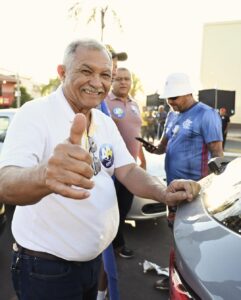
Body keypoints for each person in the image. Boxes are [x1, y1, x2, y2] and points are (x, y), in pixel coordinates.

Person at [0, 41, 200, 300]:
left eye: (106, 75)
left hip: (92, 263)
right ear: (62, 72)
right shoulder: (35, 114)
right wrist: (44, 175)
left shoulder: (104, 122)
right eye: (86, 71)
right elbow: (5, 182)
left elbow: (127, 171)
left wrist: (163, 191)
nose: (97, 82)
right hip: (46, 269)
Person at [143, 72, 223, 290]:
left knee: (194, 240)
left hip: (195, 191)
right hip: (173, 190)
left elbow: (218, 155)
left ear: (187, 93)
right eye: (168, 98)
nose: (170, 102)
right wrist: (154, 149)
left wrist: (212, 188)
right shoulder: (172, 115)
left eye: (174, 98)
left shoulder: (207, 115)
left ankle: (195, 284)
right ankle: (177, 276)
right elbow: (163, 146)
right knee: (177, 235)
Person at [106, 67, 146, 259]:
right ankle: (114, 245)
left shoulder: (135, 104)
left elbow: (138, 136)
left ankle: (116, 242)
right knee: (108, 210)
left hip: (131, 167)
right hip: (111, 168)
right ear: (112, 81)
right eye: (119, 79)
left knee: (123, 209)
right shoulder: (104, 102)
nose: (123, 82)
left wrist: (142, 159)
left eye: (126, 79)